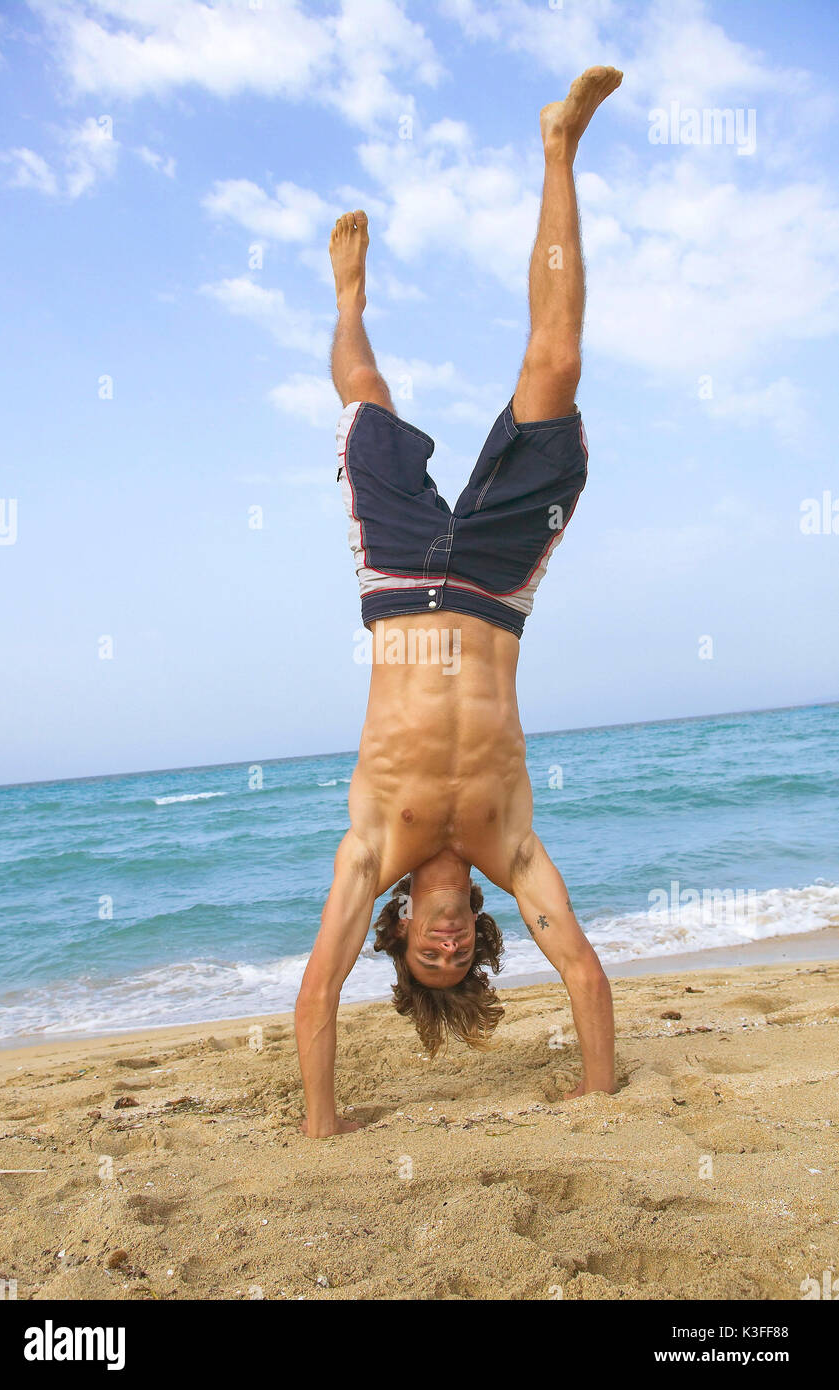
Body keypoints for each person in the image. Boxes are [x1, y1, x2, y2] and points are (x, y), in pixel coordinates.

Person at [296, 67, 623, 1137]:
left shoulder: (367, 854)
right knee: (558, 363)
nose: (444, 950)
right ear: (476, 926)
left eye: (424, 958)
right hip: (492, 581)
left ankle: (346, 303)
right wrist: (594, 1093)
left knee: (366, 399)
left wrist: (321, 1128)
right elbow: (577, 965)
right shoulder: (510, 846)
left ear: (398, 932)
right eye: (461, 955)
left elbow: (313, 995)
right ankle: (559, 147)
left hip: (394, 582)